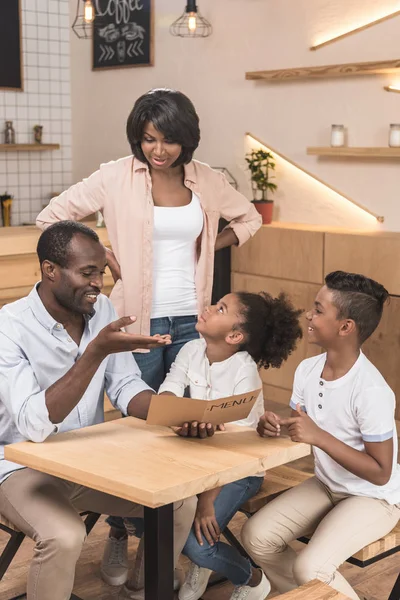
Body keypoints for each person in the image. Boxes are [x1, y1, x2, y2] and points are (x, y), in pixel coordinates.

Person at [36, 87, 262, 580]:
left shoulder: (208, 180)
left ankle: (154, 548)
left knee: (181, 434)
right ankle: (119, 531)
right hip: (137, 322)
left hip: (191, 322)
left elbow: (250, 218)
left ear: (188, 140)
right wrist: (102, 256)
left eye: (169, 140)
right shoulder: (116, 175)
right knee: (137, 433)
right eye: (148, 139)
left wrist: (210, 243)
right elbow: (51, 216)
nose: (158, 150)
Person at [0, 221, 197, 600]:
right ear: (50, 270)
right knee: (65, 534)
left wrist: (177, 413)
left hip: (86, 461)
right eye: (87, 273)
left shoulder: (101, 308)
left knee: (179, 500)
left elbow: (124, 386)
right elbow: (33, 424)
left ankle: (144, 588)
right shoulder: (9, 327)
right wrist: (95, 353)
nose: (98, 284)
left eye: (101, 272)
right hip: (19, 466)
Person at [242, 271, 400, 600]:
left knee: (311, 567)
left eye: (318, 309)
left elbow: (382, 472)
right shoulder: (308, 370)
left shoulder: (370, 390)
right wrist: (274, 427)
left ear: (346, 327)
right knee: (257, 535)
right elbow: (301, 428)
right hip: (327, 485)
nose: (308, 315)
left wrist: (319, 437)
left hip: (374, 498)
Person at [157, 291, 303, 600]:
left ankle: (252, 579)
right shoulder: (191, 350)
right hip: (197, 461)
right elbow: (168, 391)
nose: (208, 309)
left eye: (220, 308)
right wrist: (175, 412)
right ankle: (204, 561)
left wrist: (207, 500)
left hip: (241, 469)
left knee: (194, 544)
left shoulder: (244, 371)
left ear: (235, 335)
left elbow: (234, 448)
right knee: (151, 517)